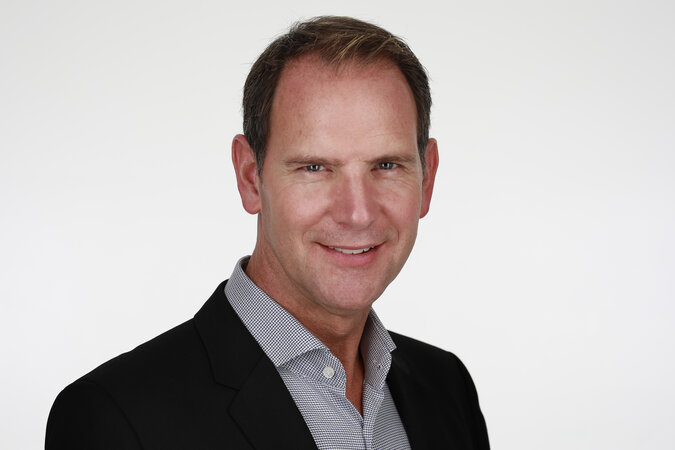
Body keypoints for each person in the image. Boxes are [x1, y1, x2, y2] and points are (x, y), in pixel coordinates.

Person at [46, 16, 489, 449]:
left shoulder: (447, 388)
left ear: (427, 177)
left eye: (387, 165)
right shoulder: (115, 419)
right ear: (250, 177)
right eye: (314, 167)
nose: (358, 213)